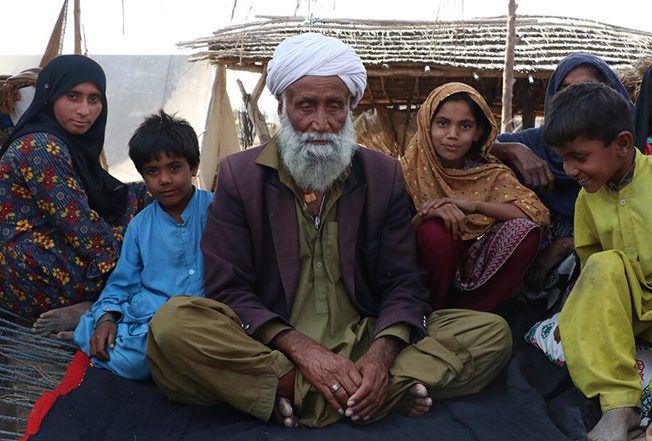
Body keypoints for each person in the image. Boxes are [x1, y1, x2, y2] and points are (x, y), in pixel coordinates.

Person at [146, 33, 512, 429]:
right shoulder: (239, 176)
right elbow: (227, 287)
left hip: (364, 335)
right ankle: (372, 394)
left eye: (334, 106)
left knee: (492, 332)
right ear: (283, 106)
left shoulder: (383, 175)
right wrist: (304, 352)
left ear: (350, 108)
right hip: (273, 343)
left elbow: (404, 283)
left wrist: (380, 356)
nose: (320, 124)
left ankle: (297, 393)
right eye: (306, 106)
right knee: (172, 325)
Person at [545, 82, 652, 441]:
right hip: (634, 315)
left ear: (622, 144)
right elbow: (592, 270)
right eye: (563, 159)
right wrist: (575, 311)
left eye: (580, 157)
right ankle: (618, 405)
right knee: (602, 266)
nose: (569, 170)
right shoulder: (587, 200)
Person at [0, 55, 149, 333]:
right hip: (38, 272)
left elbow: (105, 196)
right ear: (51, 95)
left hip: (36, 264)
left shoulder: (59, 140)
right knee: (154, 251)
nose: (84, 110)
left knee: (144, 196)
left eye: (94, 99)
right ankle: (94, 308)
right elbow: (86, 234)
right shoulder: (42, 147)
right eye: (73, 96)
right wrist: (143, 242)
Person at [71, 110, 212, 380]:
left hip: (209, 318)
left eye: (174, 167)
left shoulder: (218, 210)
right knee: (132, 359)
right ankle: (90, 324)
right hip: (153, 320)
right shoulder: (139, 226)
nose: (165, 179)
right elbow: (121, 283)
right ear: (143, 177)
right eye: (153, 171)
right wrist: (107, 318)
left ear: (193, 167)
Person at [493, 53, 632, 302]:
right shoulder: (538, 141)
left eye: (587, 88)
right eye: (566, 90)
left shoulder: (632, 146)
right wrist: (513, 149)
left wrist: (568, 244)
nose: (570, 170)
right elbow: (474, 147)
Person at [400, 82, 549, 312]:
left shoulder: (489, 172)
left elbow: (535, 213)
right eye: (442, 123)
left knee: (524, 232)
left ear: (478, 131)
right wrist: (424, 215)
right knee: (436, 231)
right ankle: (426, 316)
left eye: (465, 126)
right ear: (426, 125)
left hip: (473, 276)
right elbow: (390, 242)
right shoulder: (405, 172)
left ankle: (470, 315)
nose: (452, 135)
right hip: (417, 279)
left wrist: (473, 205)